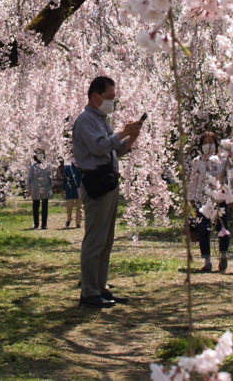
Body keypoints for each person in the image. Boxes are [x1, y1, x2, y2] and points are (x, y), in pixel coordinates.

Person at [71, 75, 143, 308]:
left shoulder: (101, 119)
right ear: (95, 96)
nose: (112, 102)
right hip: (96, 183)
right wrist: (122, 132)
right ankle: (89, 292)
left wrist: (130, 137)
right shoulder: (85, 120)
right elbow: (99, 146)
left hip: (109, 182)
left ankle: (101, 287)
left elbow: (114, 151)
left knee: (106, 240)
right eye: (109, 97)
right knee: (95, 240)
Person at [189, 131, 231, 273]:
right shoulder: (197, 161)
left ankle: (223, 255)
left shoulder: (222, 160)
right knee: (202, 229)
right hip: (202, 199)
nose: (208, 146)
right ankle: (207, 260)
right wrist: (189, 199)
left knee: (222, 227)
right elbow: (193, 181)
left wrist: (230, 195)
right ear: (201, 145)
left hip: (219, 198)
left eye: (211, 142)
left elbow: (228, 178)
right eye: (205, 142)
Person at [26, 149, 54, 230]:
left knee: (45, 206)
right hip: (35, 188)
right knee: (35, 206)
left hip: (45, 187)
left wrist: (51, 186)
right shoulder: (32, 167)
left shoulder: (47, 166)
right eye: (38, 154)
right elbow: (29, 178)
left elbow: (50, 177)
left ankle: (44, 224)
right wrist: (29, 189)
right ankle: (36, 224)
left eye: (42, 154)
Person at [62, 161, 83, 228]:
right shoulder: (68, 167)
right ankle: (69, 218)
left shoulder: (82, 166)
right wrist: (63, 189)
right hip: (70, 189)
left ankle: (78, 222)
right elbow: (65, 178)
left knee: (79, 206)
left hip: (80, 189)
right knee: (69, 205)